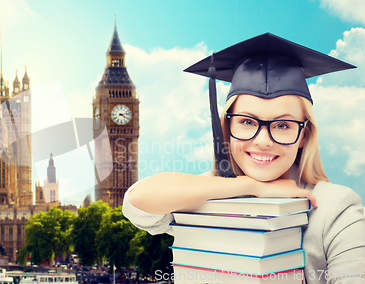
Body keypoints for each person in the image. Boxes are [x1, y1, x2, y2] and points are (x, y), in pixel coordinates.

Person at [122, 33, 365, 284]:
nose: (263, 140)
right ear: (226, 128)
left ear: (304, 134)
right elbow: (137, 202)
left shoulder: (336, 208)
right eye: (247, 122)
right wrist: (252, 187)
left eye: (283, 125)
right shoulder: (202, 194)